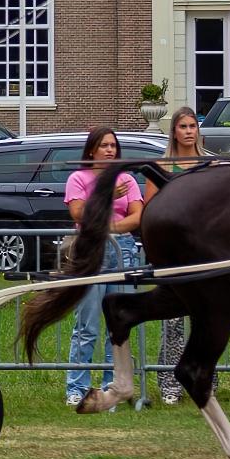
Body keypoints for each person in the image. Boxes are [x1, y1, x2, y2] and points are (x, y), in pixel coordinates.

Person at [66, 126, 145, 410]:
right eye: (104, 146)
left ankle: (113, 389)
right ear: (91, 150)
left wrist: (109, 226)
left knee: (119, 324)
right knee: (86, 325)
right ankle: (77, 387)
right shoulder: (79, 178)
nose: (110, 150)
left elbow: (137, 216)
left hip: (122, 250)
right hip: (91, 251)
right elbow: (78, 212)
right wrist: (107, 195)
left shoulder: (127, 179)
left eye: (113, 145)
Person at [153, 106, 210, 405]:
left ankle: (203, 378)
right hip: (174, 255)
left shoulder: (210, 164)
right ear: (174, 131)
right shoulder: (161, 167)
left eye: (193, 126)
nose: (189, 131)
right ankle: (169, 382)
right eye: (183, 126)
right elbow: (151, 212)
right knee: (172, 321)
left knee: (206, 320)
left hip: (206, 255)